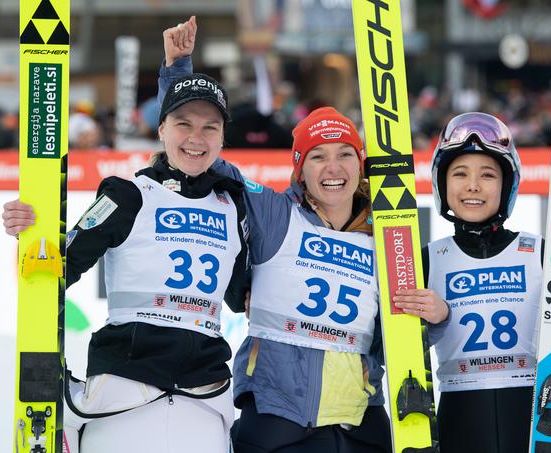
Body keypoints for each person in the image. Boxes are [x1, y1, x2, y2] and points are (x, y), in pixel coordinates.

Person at [158, 26, 452, 450]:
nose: (333, 169)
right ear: (300, 168)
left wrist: (435, 319)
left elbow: (402, 344)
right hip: (277, 422)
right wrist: (177, 71)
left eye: (345, 155)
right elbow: (197, 155)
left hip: (359, 424)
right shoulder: (275, 213)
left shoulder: (389, 237)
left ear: (361, 163)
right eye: (318, 157)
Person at [2, 19, 249, 453]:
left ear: (224, 137)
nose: (196, 137)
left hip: (204, 396)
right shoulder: (128, 194)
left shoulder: (231, 205)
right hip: (125, 386)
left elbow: (242, 296)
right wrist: (31, 234)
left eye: (210, 127)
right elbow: (59, 265)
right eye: (183, 124)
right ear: (161, 129)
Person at [394, 112, 551, 453]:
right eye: (460, 174)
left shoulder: (538, 253)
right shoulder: (426, 260)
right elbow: (398, 346)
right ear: (442, 184)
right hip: (459, 418)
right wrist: (437, 319)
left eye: (487, 175)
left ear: (507, 185)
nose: (473, 186)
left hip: (532, 416)